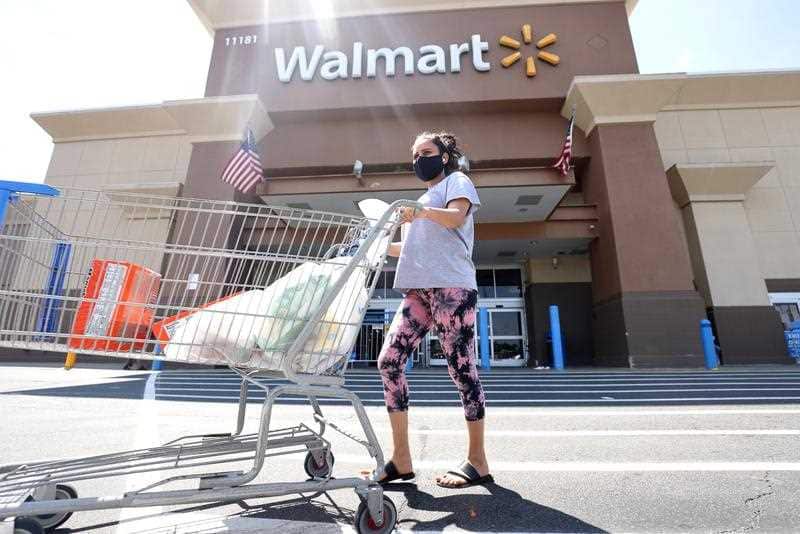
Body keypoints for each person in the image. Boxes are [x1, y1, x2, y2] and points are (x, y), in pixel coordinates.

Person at [373, 131, 492, 489]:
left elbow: (455, 217)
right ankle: (402, 459)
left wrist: (418, 211)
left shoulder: (456, 181)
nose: (418, 159)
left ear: (443, 156)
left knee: (461, 368)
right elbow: (406, 250)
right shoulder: (420, 202)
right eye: (413, 155)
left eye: (425, 152)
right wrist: (375, 244)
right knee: (389, 361)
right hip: (418, 291)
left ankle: (478, 461)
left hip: (452, 287)